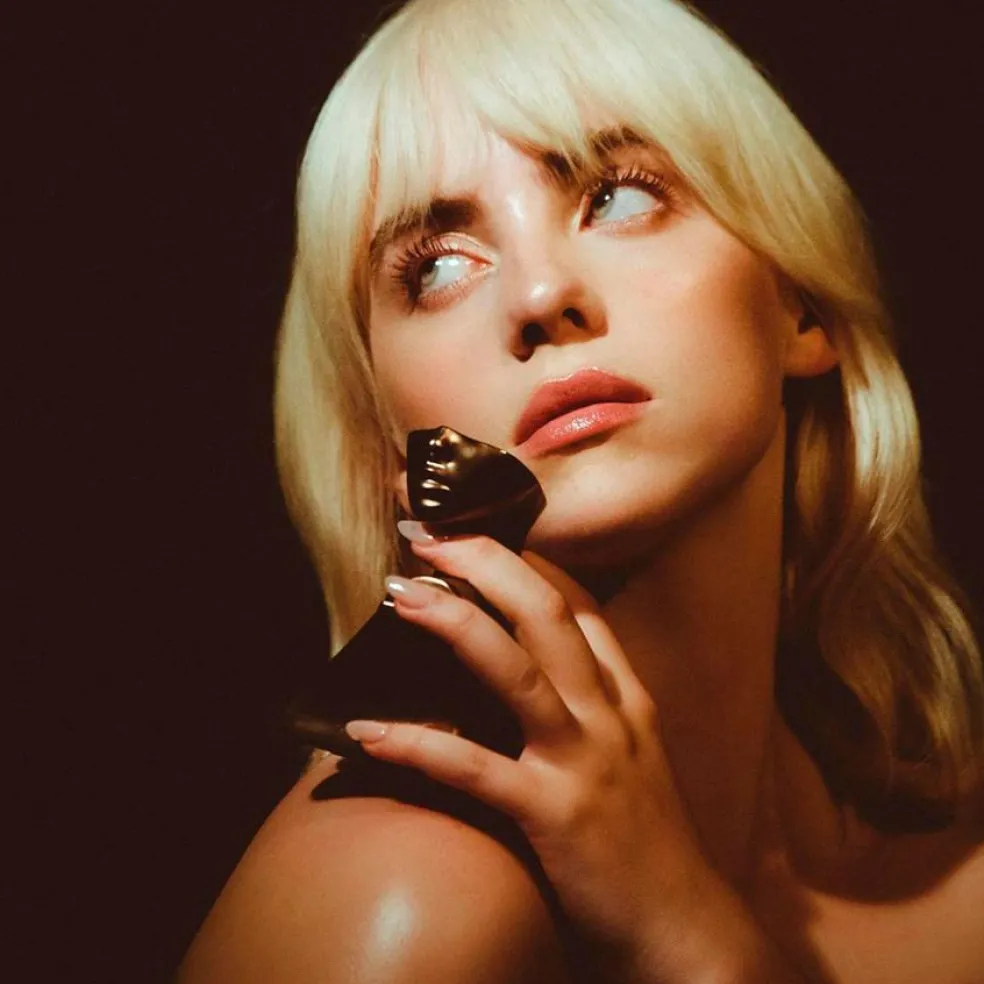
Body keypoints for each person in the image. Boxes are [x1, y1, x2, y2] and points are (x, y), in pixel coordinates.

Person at [178, 0, 984, 980]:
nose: (538, 295)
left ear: (801, 307)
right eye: (438, 268)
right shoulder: (397, 904)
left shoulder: (957, 869)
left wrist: (695, 938)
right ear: (391, 449)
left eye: (621, 198)